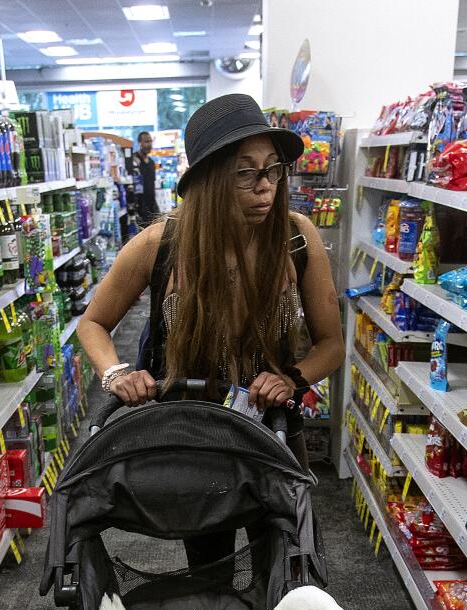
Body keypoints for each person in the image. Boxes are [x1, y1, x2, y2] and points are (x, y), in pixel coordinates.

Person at [76, 95, 345, 458]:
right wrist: (116, 374)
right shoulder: (160, 244)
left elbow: (331, 344)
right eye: (245, 172)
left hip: (268, 436)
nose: (265, 185)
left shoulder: (296, 238)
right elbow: (93, 322)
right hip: (179, 438)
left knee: (290, 514)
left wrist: (290, 379)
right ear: (210, 180)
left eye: (272, 168)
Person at [131, 130, 159, 225]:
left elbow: (152, 184)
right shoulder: (134, 161)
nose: (149, 144)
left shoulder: (151, 162)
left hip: (152, 205)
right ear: (140, 143)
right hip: (139, 206)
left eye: (150, 141)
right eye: (146, 141)